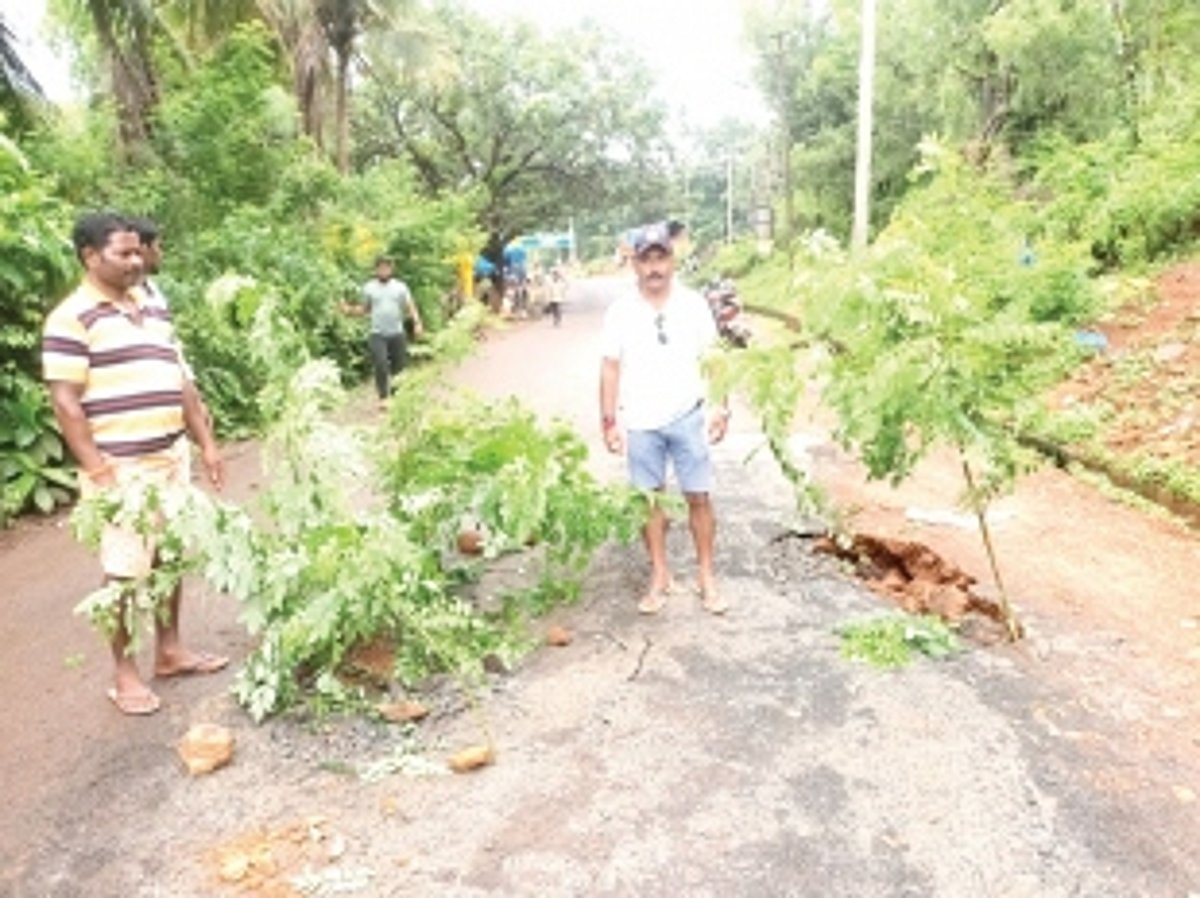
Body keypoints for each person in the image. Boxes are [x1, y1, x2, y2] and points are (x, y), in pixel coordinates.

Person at [42, 211, 227, 716]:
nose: (136, 261)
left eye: (137, 251)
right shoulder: (71, 317)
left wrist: (206, 442)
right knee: (124, 571)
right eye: (123, 254)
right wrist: (99, 471)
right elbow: (65, 402)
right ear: (90, 256)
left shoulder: (152, 304)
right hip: (121, 465)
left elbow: (179, 379)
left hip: (171, 455)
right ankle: (124, 673)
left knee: (169, 556)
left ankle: (170, 650)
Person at [599, 220, 731, 615]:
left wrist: (721, 405)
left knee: (698, 497)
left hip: (688, 414)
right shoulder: (621, 312)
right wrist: (608, 421)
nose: (654, 268)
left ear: (672, 261)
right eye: (646, 260)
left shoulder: (693, 305)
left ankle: (706, 576)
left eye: (661, 258)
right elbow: (610, 367)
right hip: (641, 420)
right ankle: (660, 574)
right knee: (649, 501)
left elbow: (714, 359)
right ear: (635, 265)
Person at [351, 255, 424, 407]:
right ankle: (383, 397)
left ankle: (397, 398)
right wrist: (348, 310)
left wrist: (417, 323)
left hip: (397, 333)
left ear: (391, 269)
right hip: (377, 333)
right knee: (381, 363)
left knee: (399, 367)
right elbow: (365, 309)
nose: (383, 270)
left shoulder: (400, 287)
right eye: (381, 268)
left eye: (386, 267)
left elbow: (410, 306)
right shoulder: (369, 287)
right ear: (376, 270)